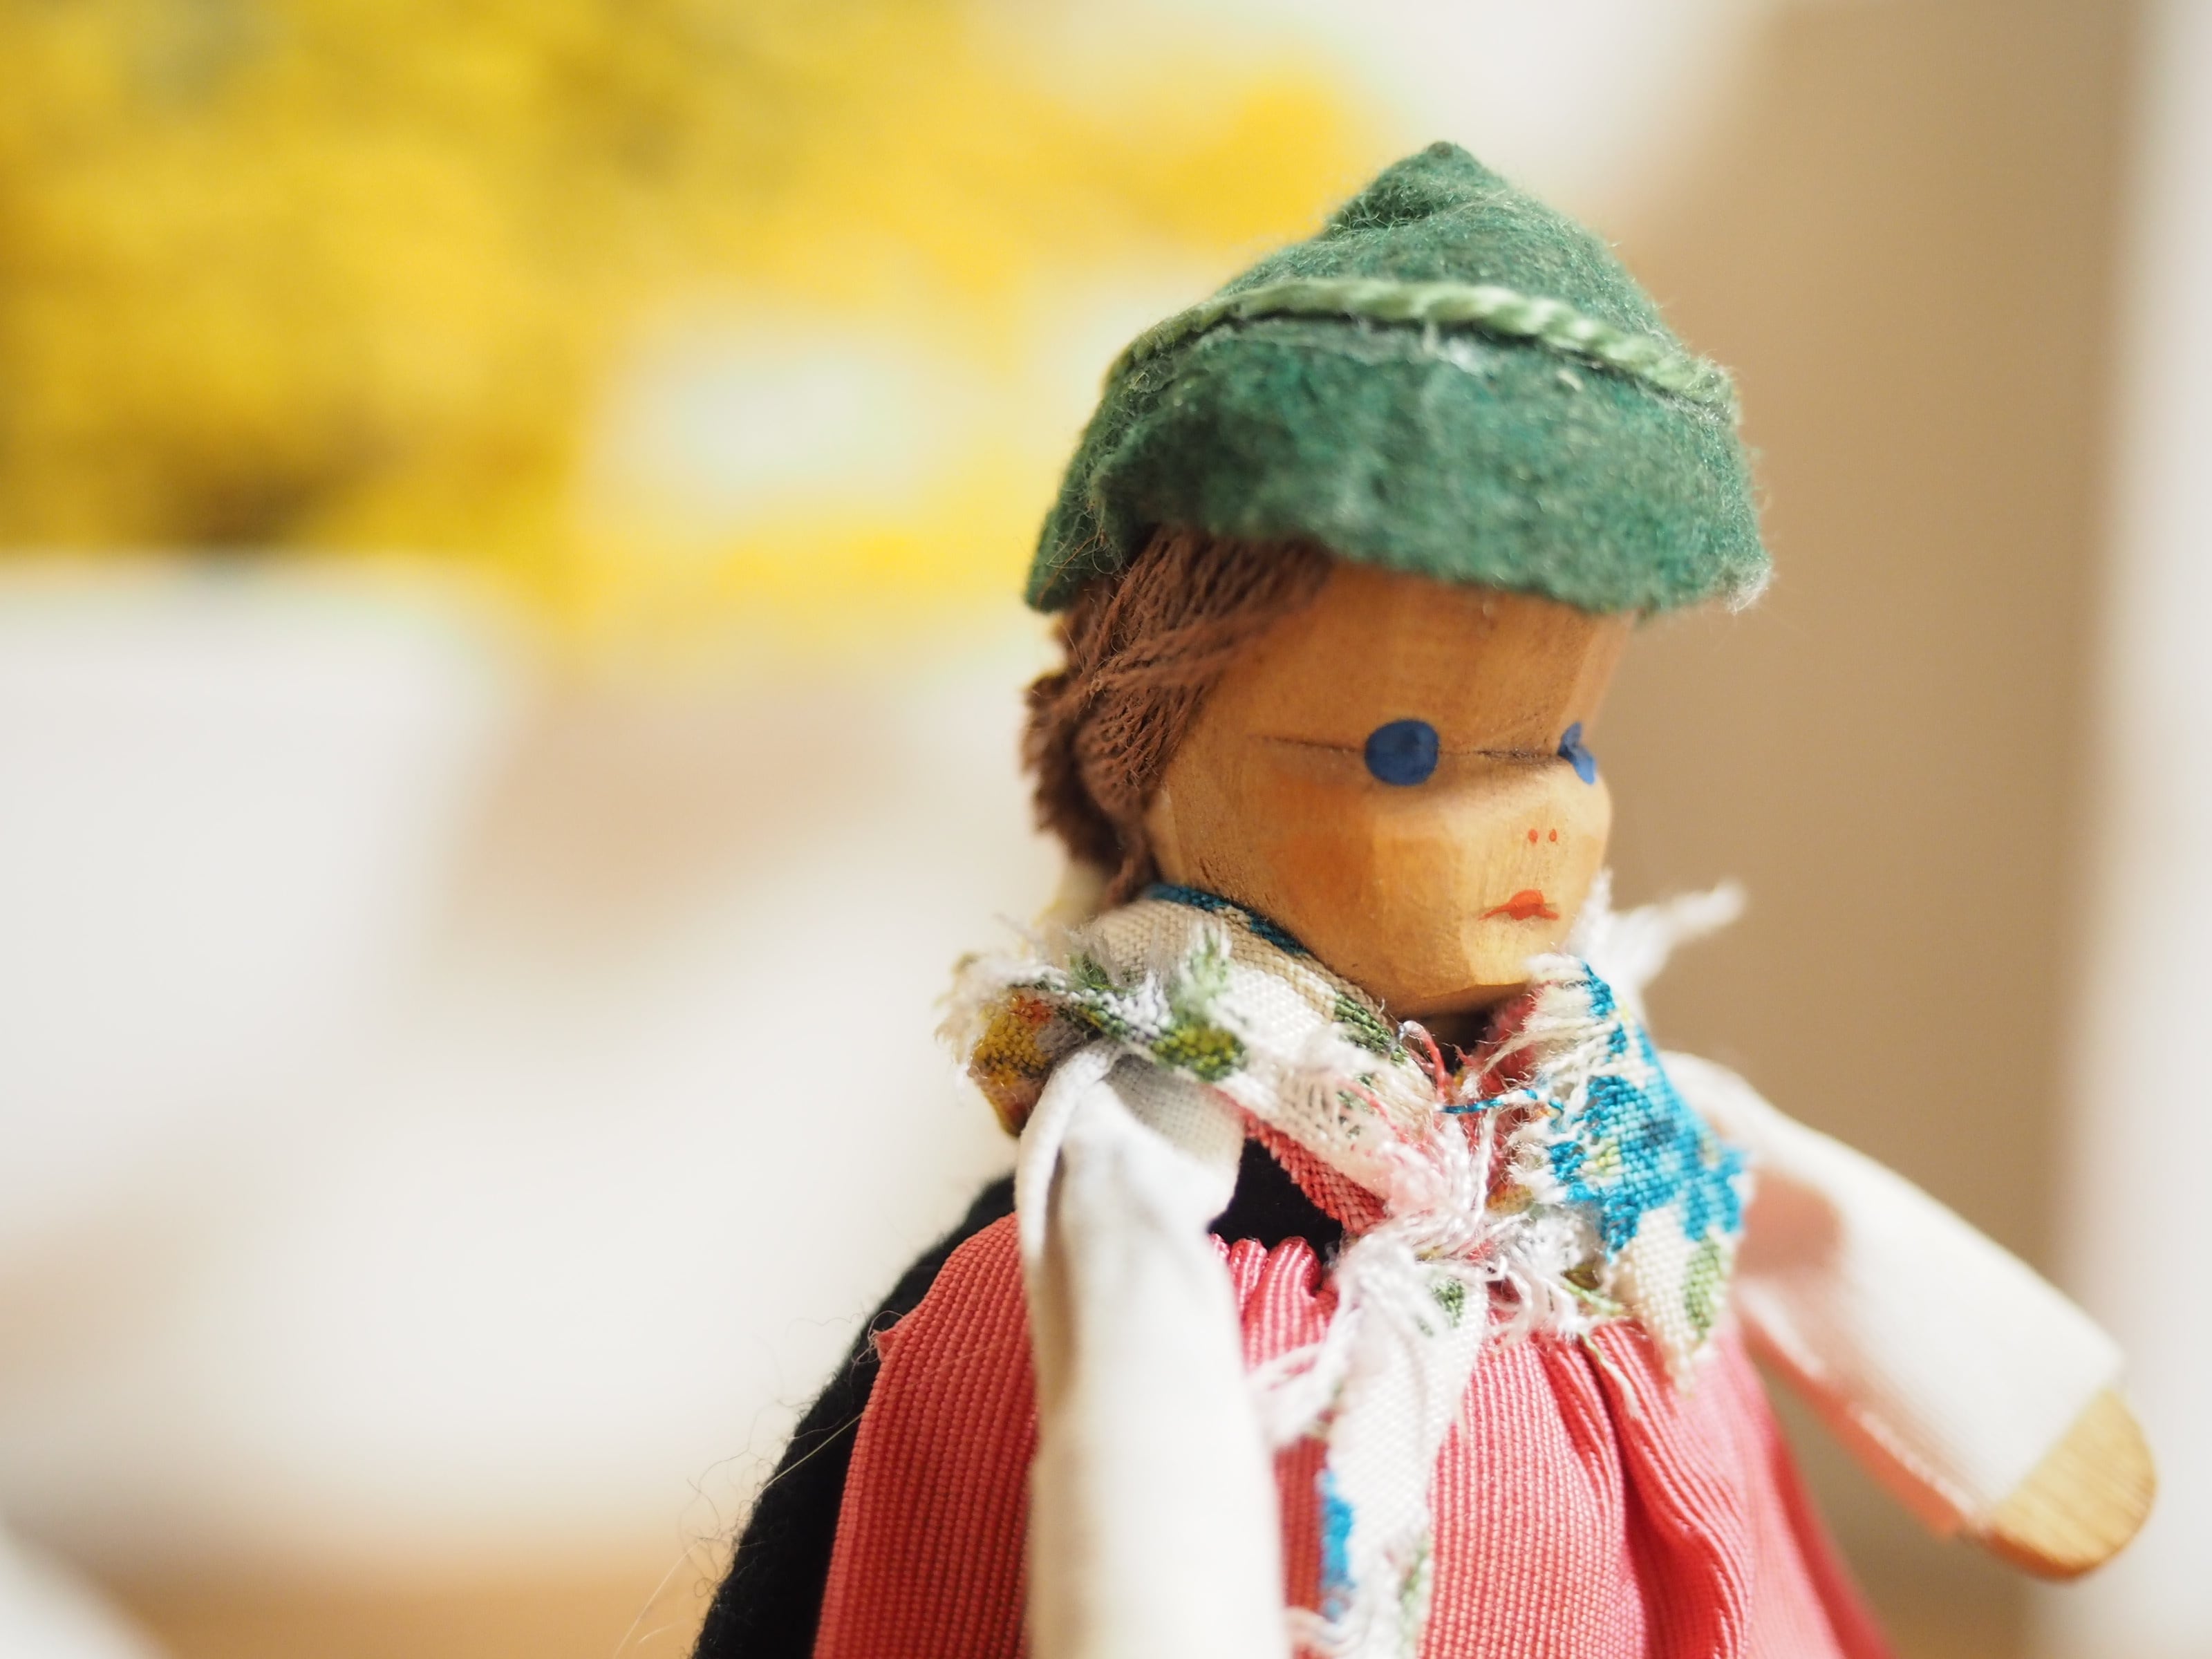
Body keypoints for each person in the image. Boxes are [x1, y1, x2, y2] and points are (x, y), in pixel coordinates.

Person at [694, 142, 2145, 1659]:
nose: (1539, 817)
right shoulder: (1139, 1147)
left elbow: (1770, 1201)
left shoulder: (1586, 1119)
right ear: (1148, 750)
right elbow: (1135, 1382)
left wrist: (2014, 1412)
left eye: (1564, 744)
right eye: (1409, 752)